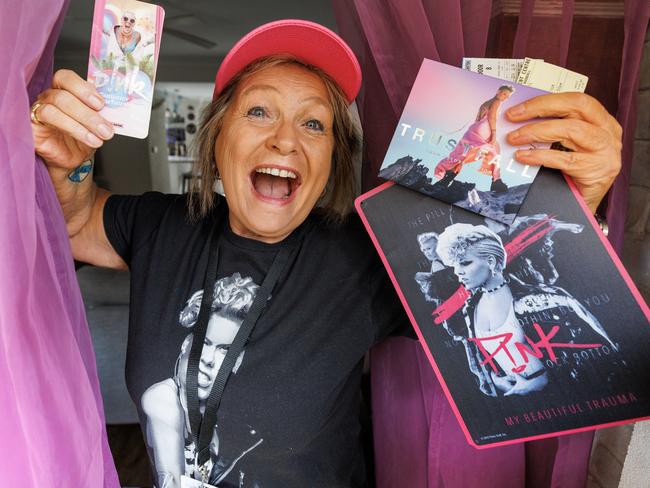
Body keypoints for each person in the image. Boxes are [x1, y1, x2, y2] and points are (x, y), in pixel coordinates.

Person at [30, 18, 623, 487]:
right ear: (216, 142)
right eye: (259, 111)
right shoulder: (165, 225)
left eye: (314, 125)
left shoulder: (369, 254)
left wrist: (580, 197)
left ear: (332, 161)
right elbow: (77, 220)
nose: (285, 139)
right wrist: (69, 162)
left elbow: (504, 281)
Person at [435, 222, 615, 397]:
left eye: (465, 263)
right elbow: (480, 358)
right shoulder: (470, 308)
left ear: (490, 261)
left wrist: (542, 382)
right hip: (512, 406)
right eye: (455, 265)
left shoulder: (544, 300)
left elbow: (594, 354)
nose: (458, 272)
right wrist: (494, 380)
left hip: (565, 398)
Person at [434, 85, 515, 192]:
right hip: (485, 130)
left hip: (474, 130)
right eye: (504, 94)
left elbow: (477, 119)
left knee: (462, 156)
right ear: (498, 91)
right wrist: (494, 134)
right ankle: (496, 182)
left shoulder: (485, 103)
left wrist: (475, 130)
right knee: (495, 153)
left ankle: (444, 181)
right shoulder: (497, 102)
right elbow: (492, 117)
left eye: (508, 96)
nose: (505, 97)